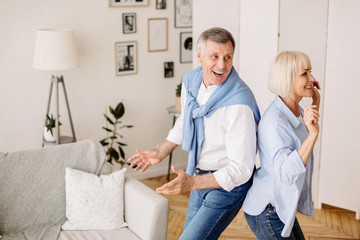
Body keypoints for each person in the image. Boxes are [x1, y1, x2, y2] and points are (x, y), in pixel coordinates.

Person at [128, 27, 260, 240]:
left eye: (228, 57)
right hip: (199, 175)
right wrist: (160, 152)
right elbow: (186, 119)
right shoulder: (192, 82)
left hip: (227, 185)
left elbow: (242, 169)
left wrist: (192, 183)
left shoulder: (239, 105)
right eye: (214, 56)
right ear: (199, 56)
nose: (222, 65)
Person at [242, 51, 321, 239]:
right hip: (268, 210)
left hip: (280, 205)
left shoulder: (294, 111)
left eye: (310, 72)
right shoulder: (275, 122)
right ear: (287, 79)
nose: (312, 78)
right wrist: (313, 135)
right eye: (304, 74)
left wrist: (315, 99)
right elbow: (287, 172)